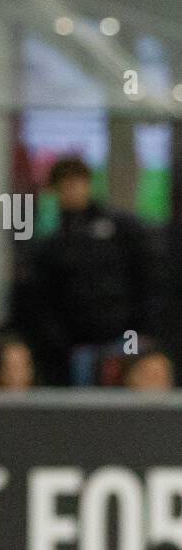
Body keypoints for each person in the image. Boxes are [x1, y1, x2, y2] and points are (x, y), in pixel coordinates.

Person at [31, 157, 162, 386]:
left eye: (76, 183)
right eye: (65, 186)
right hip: (81, 346)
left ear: (88, 184)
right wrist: (62, 343)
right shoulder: (53, 243)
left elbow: (143, 279)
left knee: (129, 389)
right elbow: (46, 298)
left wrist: (141, 331)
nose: (71, 191)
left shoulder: (120, 228)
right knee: (86, 404)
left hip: (126, 337)